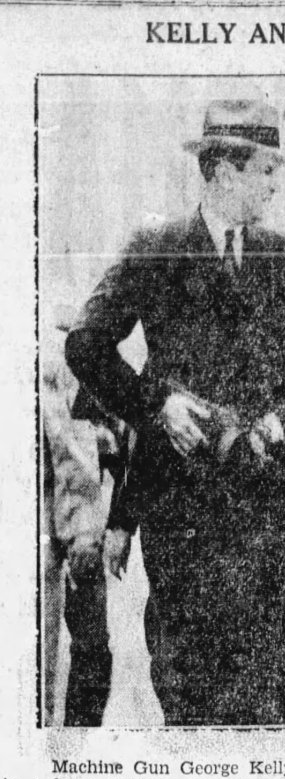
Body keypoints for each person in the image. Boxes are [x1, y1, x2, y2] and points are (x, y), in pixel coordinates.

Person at [65, 99, 285, 725]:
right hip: (183, 507)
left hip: (261, 507)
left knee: (261, 687)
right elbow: (86, 345)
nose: (274, 185)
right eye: (264, 170)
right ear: (224, 172)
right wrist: (158, 405)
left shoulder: (283, 258)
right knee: (188, 685)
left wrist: (280, 416)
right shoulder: (158, 248)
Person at [40, 306, 119, 726]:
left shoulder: (69, 356)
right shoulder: (50, 353)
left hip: (70, 528)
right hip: (53, 531)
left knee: (88, 653)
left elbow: (80, 448)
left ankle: (68, 755)